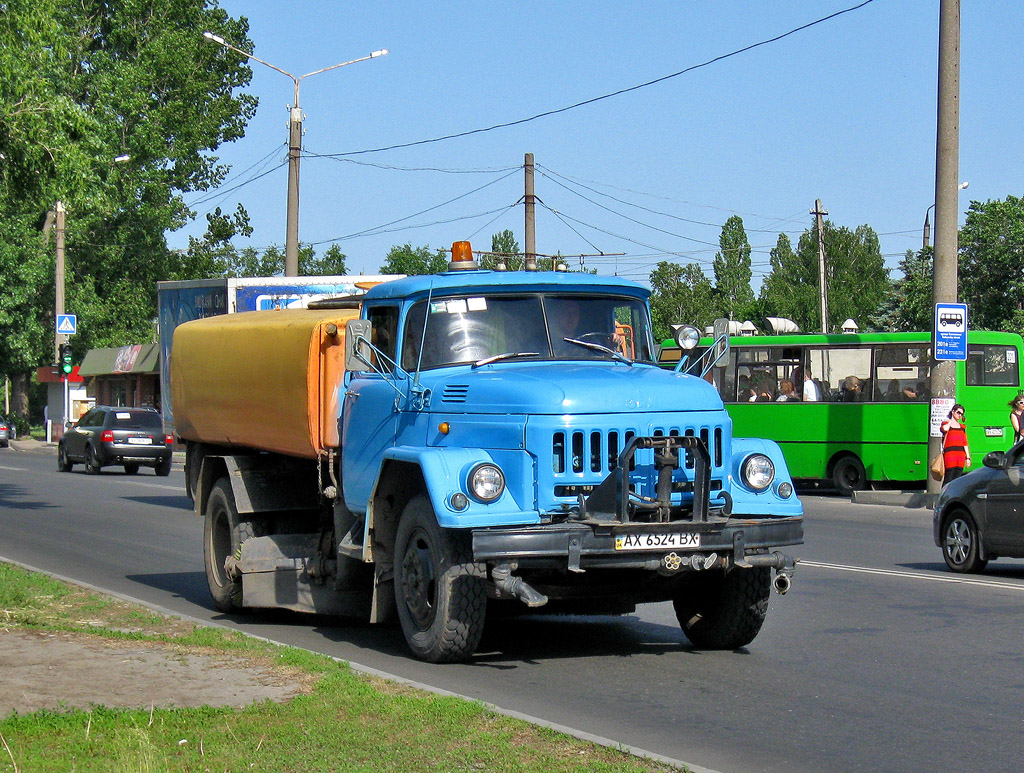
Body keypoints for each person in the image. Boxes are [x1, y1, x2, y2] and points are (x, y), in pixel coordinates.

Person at [940, 403, 971, 485]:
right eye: (958, 412)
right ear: (953, 412)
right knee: (948, 477)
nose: (960, 415)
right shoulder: (946, 424)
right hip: (950, 455)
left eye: (962, 414)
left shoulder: (962, 427)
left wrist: (968, 458)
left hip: (960, 455)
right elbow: (945, 429)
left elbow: (965, 443)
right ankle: (945, 495)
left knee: (957, 478)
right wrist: (950, 421)